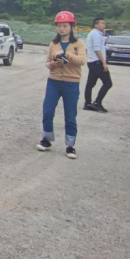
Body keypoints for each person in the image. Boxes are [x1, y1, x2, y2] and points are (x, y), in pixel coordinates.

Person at [36, 11, 87, 160]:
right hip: (54, 81)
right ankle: (46, 139)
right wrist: (54, 62)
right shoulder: (53, 44)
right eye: (59, 26)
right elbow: (47, 63)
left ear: (71, 27)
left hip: (71, 83)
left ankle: (70, 145)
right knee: (47, 111)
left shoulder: (79, 44)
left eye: (65, 26)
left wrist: (67, 55)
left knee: (70, 115)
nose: (62, 29)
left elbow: (82, 61)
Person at [84, 17, 112, 113]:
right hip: (97, 63)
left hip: (92, 62)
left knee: (90, 84)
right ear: (96, 25)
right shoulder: (96, 34)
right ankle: (97, 103)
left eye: (104, 23)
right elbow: (97, 50)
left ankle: (87, 103)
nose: (104, 25)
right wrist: (104, 63)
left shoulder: (94, 33)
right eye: (102, 23)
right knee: (108, 83)